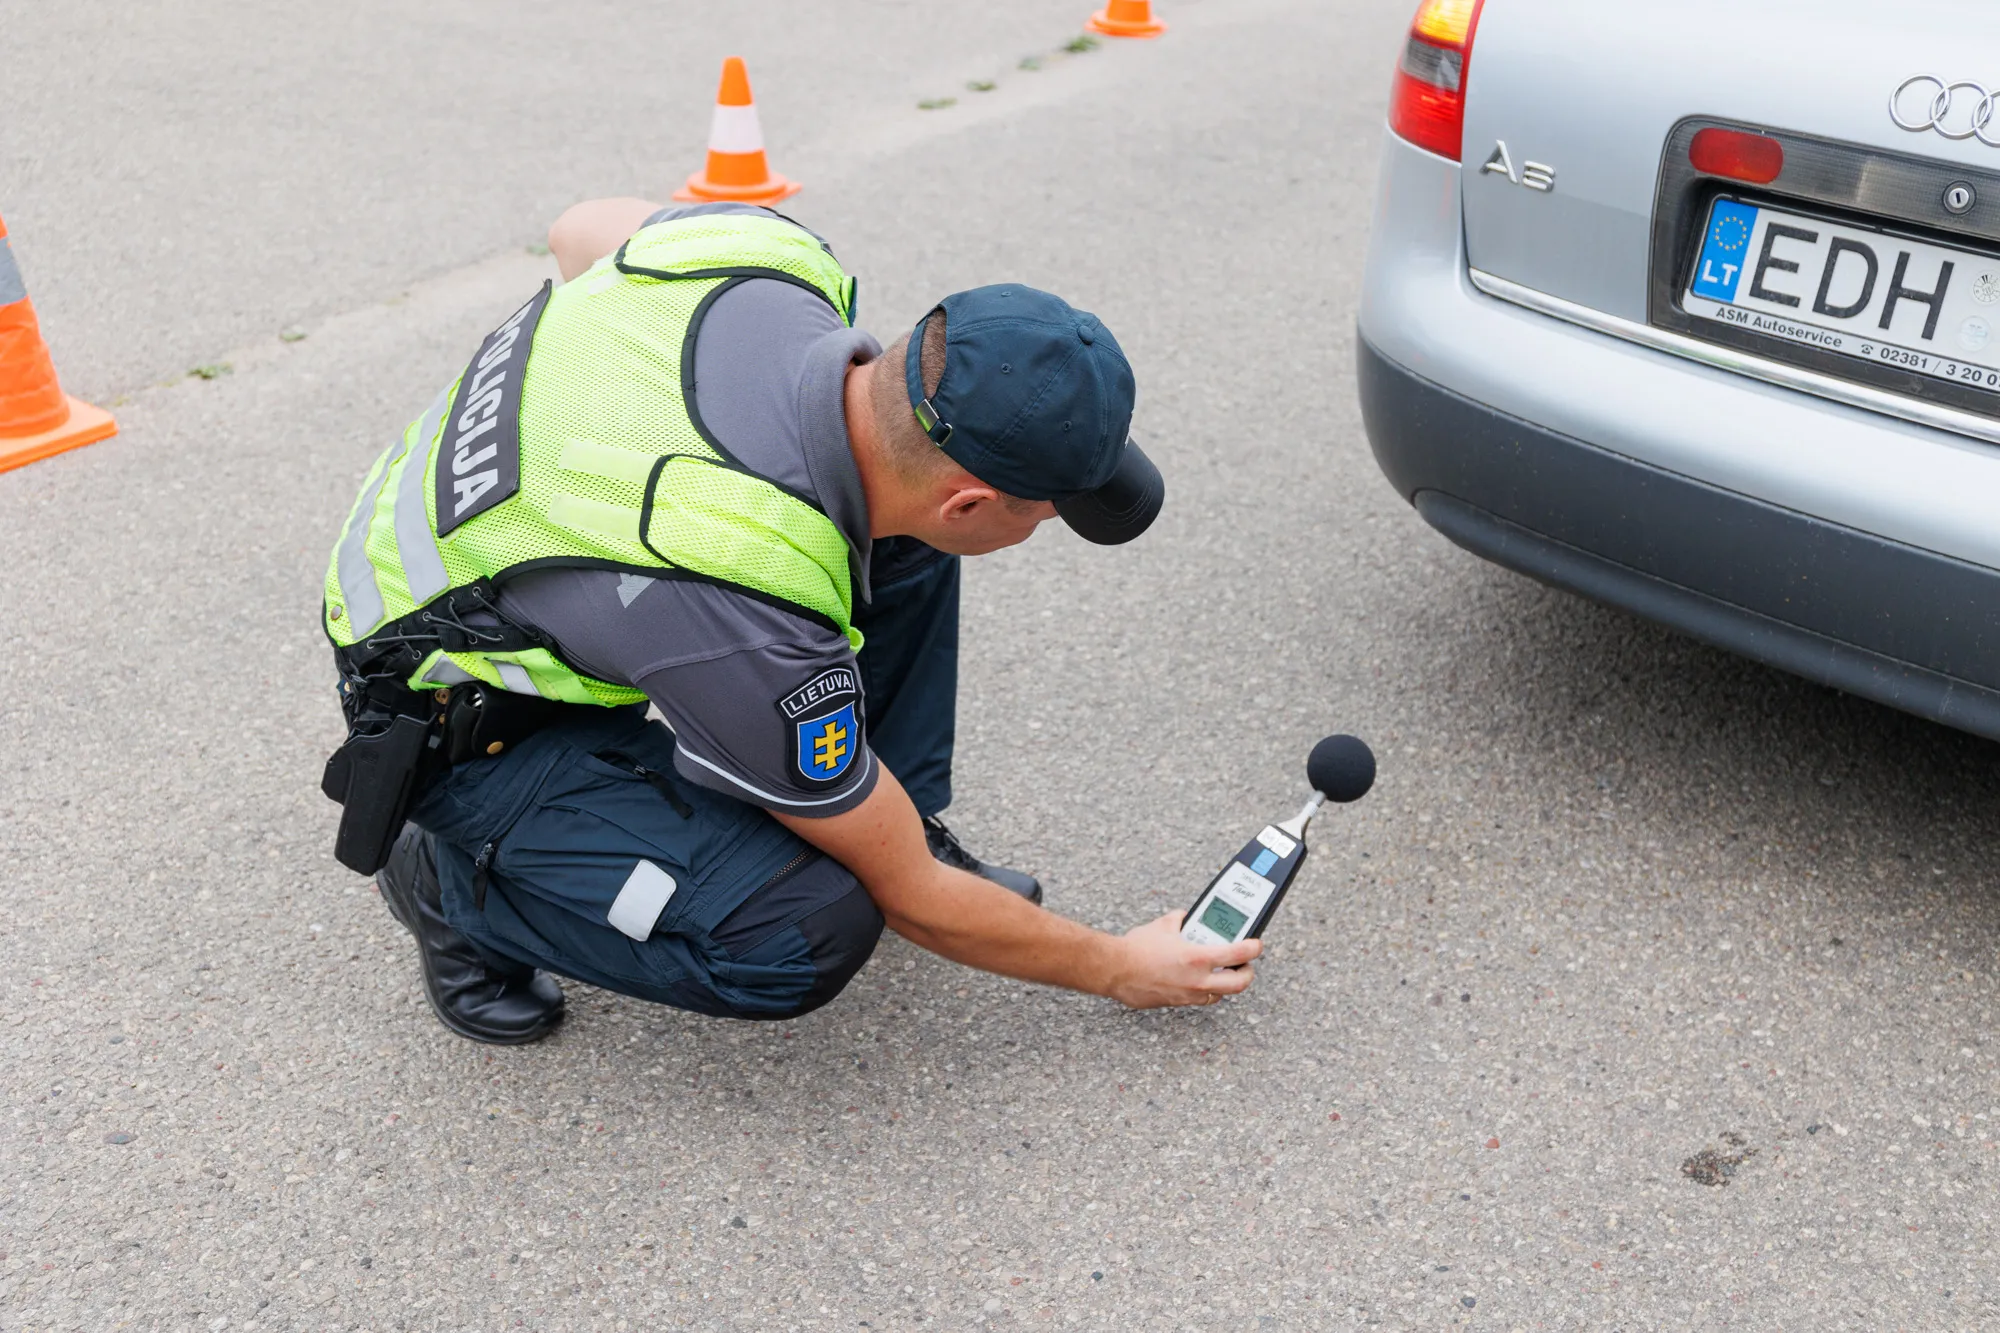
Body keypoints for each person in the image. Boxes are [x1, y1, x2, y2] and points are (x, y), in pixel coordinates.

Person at [321, 197, 1261, 1044]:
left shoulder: (762, 252)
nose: (1039, 530)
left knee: (895, 545)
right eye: (1042, 515)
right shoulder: (740, 591)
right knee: (808, 925)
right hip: (454, 711)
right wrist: (1119, 966)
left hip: (507, 569)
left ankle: (877, 806)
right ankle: (445, 885)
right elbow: (919, 905)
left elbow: (583, 227)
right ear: (971, 501)